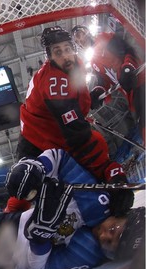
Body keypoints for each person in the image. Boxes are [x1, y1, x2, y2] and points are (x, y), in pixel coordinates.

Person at [0, 148, 143, 269]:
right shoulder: (97, 200)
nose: (103, 236)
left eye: (108, 244)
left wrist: (40, 241)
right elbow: (60, 159)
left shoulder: (88, 255)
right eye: (113, 229)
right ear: (124, 215)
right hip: (12, 222)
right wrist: (37, 167)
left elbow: (40, 267)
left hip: (10, 261)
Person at [17, 25, 125, 188]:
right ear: (50, 57)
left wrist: (92, 95)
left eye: (68, 49)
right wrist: (104, 170)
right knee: (29, 187)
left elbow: (76, 97)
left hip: (51, 129)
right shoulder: (53, 81)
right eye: (58, 52)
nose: (66, 56)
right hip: (36, 141)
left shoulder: (77, 64)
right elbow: (76, 132)